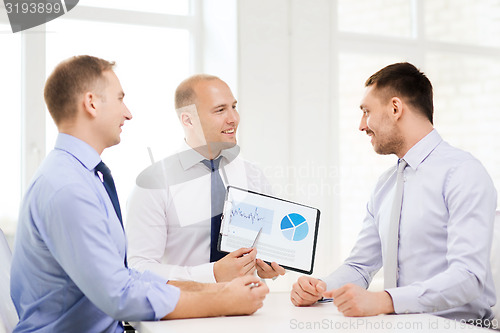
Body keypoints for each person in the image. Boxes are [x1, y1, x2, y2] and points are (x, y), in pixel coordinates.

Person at [10, 55, 269, 333]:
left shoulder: (84, 177)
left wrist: (216, 289)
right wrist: (222, 300)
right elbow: (120, 296)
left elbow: (125, 279)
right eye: (120, 98)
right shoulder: (68, 188)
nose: (128, 113)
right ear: (92, 103)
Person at [290, 62, 497, 321]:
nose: (361, 125)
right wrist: (319, 288)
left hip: (460, 326)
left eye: (366, 112)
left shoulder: (463, 173)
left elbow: (469, 277)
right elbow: (360, 266)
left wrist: (384, 300)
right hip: (402, 324)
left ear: (395, 108)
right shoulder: (386, 184)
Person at [126, 74, 286, 283]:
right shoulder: (154, 183)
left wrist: (269, 266)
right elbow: (138, 268)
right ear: (188, 119)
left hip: (250, 309)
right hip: (188, 312)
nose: (234, 118)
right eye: (220, 110)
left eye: (234, 107)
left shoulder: (253, 175)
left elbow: (271, 248)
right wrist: (213, 274)